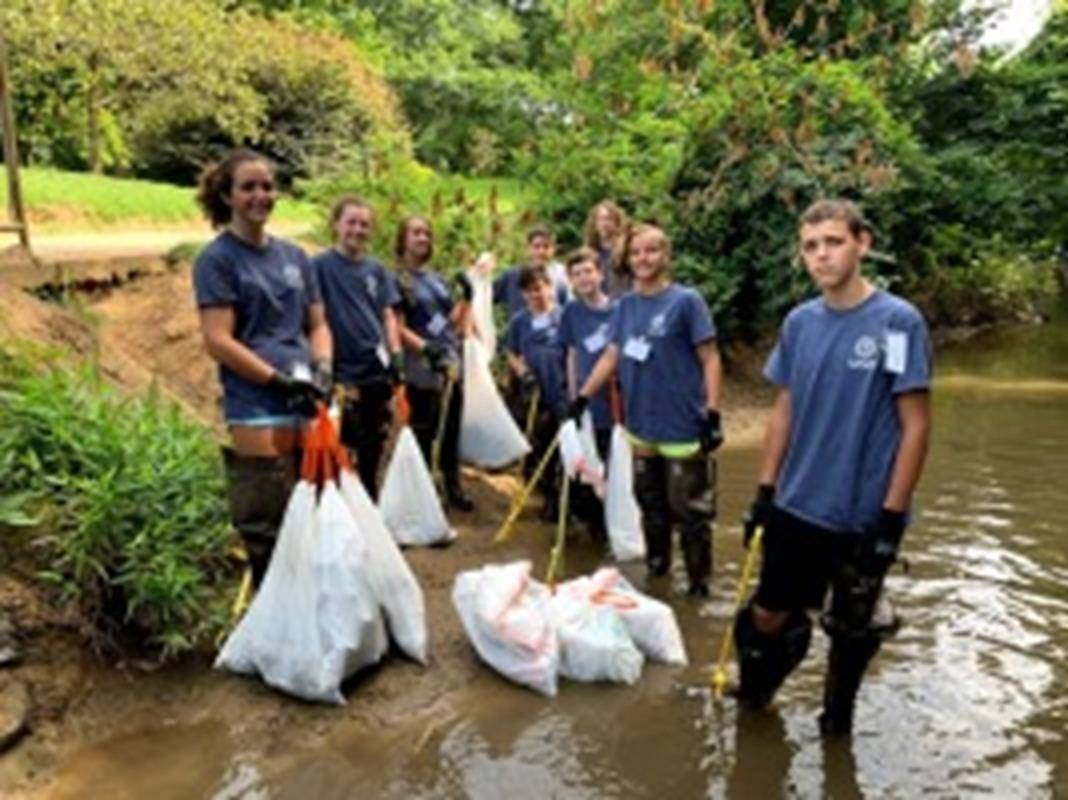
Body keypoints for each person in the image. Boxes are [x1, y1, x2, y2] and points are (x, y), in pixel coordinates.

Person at [732, 199, 932, 736]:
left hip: (863, 514)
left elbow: (915, 425)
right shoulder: (800, 323)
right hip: (798, 503)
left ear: (862, 244)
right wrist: (765, 492)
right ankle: (755, 698)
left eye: (834, 242)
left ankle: (836, 727)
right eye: (810, 246)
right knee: (765, 615)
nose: (822, 255)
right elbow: (784, 409)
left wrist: (890, 520)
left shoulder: (897, 322)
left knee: (852, 631)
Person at [193, 148, 332, 587]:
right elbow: (218, 339)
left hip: (306, 398)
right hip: (256, 402)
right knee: (265, 520)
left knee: (313, 510)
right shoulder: (217, 260)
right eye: (248, 187)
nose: (261, 195)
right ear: (227, 196)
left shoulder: (295, 257)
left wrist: (323, 366)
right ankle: (272, 611)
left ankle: (312, 605)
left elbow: (317, 324)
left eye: (268, 186)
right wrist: (275, 379)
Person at [570, 223, 723, 596]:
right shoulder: (624, 306)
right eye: (636, 252)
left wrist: (713, 412)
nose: (643, 258)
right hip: (640, 425)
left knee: (690, 509)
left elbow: (710, 358)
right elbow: (611, 354)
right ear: (627, 259)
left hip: (682, 422)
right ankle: (658, 573)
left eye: (651, 250)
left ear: (665, 255)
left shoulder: (686, 302)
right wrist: (582, 397)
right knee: (650, 503)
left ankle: (699, 585)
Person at [312, 196, 403, 499]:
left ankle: (370, 500)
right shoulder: (319, 267)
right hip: (342, 370)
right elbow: (312, 318)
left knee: (374, 441)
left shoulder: (376, 270)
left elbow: (387, 314)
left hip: (375, 368)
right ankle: (343, 503)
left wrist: (395, 353)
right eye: (351, 222)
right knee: (343, 441)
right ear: (336, 225)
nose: (357, 230)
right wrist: (321, 365)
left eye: (364, 224)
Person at [393, 215, 475, 511]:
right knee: (425, 429)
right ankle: (424, 491)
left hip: (449, 360)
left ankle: (452, 485)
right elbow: (396, 327)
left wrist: (467, 298)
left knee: (451, 426)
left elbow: (448, 321)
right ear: (403, 239)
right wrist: (427, 350)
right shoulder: (398, 280)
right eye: (416, 233)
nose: (423, 238)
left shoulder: (436, 278)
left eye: (427, 233)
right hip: (421, 364)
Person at [558, 246, 615, 538]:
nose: (583, 278)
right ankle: (595, 527)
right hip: (585, 403)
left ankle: (616, 522)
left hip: (614, 402)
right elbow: (571, 354)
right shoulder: (571, 312)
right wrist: (573, 397)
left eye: (588, 272)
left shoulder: (619, 310)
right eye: (577, 274)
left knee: (614, 463)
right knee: (589, 464)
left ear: (600, 274)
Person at [506, 264, 569, 521]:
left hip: (562, 391)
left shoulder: (565, 316)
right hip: (535, 394)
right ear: (524, 294)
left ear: (551, 288)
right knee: (540, 445)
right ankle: (548, 496)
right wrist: (524, 374)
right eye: (531, 290)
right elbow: (511, 353)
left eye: (541, 288)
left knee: (564, 446)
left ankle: (567, 498)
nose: (537, 294)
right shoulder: (519, 321)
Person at [493, 225, 570, 324]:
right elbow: (485, 296)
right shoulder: (512, 275)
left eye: (546, 246)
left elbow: (569, 308)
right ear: (528, 248)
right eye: (536, 246)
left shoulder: (562, 274)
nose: (541, 251)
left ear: (553, 249)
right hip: (519, 331)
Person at [583, 200, 629, 297]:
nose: (604, 223)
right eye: (600, 219)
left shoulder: (626, 249)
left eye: (609, 219)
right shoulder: (588, 253)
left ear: (617, 222)